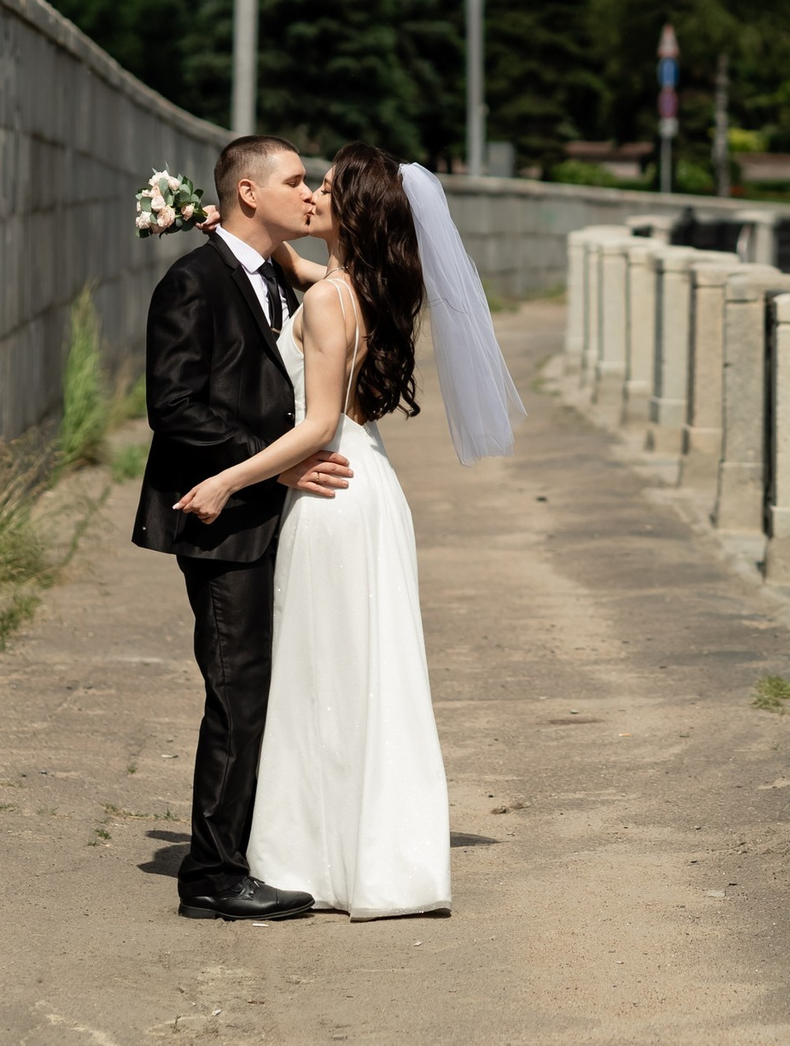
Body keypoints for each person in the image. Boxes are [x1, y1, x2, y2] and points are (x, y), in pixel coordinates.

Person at [174, 143, 524, 919]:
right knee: (361, 674)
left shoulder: (332, 300)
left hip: (332, 490)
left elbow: (321, 421)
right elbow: (284, 268)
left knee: (322, 673)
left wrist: (229, 478)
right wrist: (221, 223)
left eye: (327, 186)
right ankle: (367, 851)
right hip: (369, 486)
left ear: (357, 211)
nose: (315, 192)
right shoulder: (354, 286)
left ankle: (314, 854)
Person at [132, 136, 353, 922]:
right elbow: (175, 408)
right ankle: (213, 873)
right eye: (296, 180)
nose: (309, 191)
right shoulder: (191, 282)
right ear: (250, 193)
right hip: (219, 519)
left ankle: (250, 844)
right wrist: (270, 464)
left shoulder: (278, 278)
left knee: (259, 687)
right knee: (237, 690)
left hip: (269, 517)